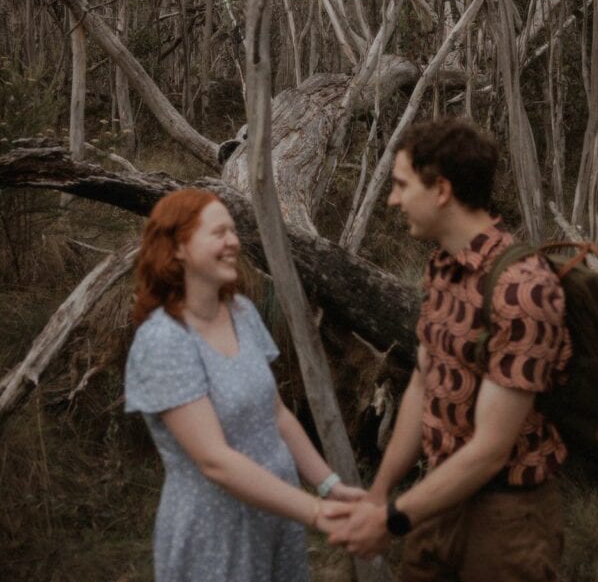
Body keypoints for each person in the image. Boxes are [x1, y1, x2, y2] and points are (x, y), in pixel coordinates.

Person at [329, 117, 572, 582]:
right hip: (437, 497)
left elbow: (490, 450)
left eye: (401, 185)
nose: (393, 199)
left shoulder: (524, 290)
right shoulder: (442, 265)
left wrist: (392, 519)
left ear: (441, 190)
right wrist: (380, 494)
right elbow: (424, 381)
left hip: (508, 519)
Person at [124, 187, 358, 582]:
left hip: (278, 513)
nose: (233, 241)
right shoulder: (163, 340)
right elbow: (215, 461)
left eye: (233, 231)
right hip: (216, 529)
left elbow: (278, 415)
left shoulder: (242, 312)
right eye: (218, 233)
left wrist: (330, 486)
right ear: (178, 248)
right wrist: (317, 513)